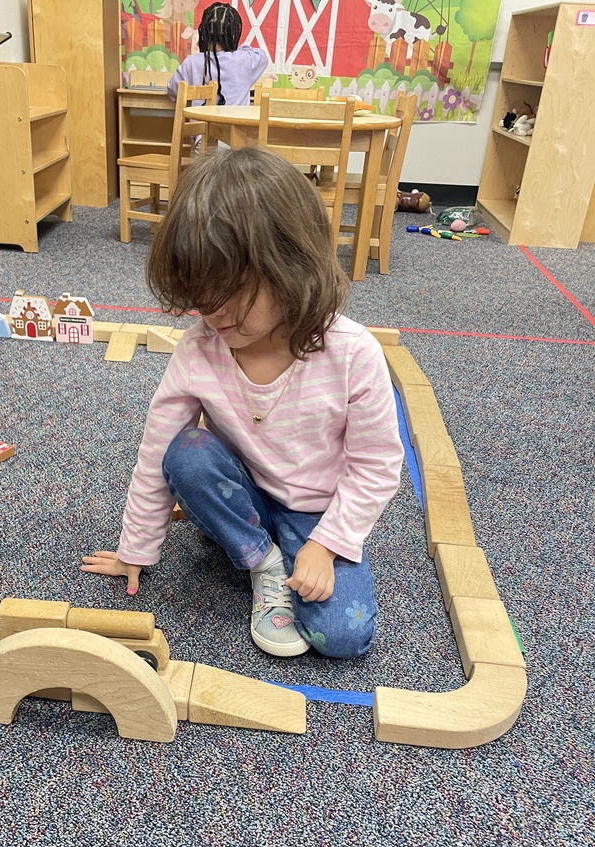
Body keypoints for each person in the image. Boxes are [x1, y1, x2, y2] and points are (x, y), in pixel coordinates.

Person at [82, 147, 404, 660]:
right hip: (244, 494)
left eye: (231, 293)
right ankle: (263, 561)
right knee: (187, 453)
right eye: (200, 294)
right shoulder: (198, 349)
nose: (211, 312)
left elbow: (377, 465)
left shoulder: (352, 353)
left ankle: (278, 546)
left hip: (317, 512)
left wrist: (326, 544)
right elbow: (157, 451)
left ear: (291, 267)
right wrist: (136, 549)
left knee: (343, 637)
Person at [166, 2, 268, 107]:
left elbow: (173, 90)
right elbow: (262, 56)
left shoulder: (192, 62)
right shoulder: (246, 59)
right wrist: (237, 47)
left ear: (203, 32)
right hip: (235, 123)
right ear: (233, 34)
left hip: (200, 122)